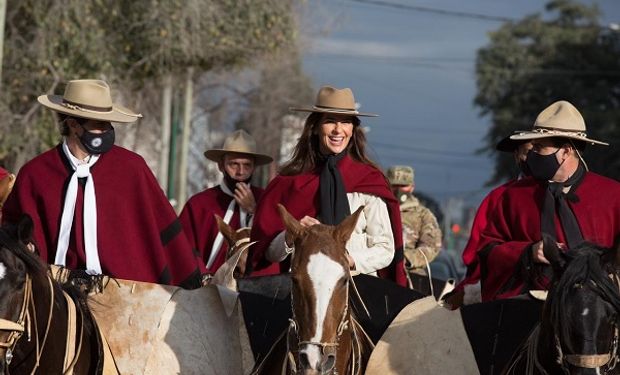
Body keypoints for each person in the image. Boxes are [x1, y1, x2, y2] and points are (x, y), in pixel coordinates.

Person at [3, 79, 204, 288]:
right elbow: (14, 234)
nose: (107, 130)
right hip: (56, 294)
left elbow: (163, 228)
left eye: (108, 124)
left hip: (125, 295)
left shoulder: (131, 169)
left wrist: (192, 278)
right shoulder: (36, 174)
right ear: (73, 125)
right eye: (99, 124)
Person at [248, 85, 407, 287]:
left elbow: (385, 248)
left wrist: (348, 260)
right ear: (315, 128)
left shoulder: (369, 180)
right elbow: (267, 254)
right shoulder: (288, 183)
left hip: (359, 286)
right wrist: (290, 234)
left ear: (353, 129)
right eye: (330, 121)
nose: (338, 130)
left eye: (346, 122)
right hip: (302, 292)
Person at [476, 100, 620, 302]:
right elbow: (488, 250)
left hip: (598, 309)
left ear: (565, 152)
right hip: (529, 307)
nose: (531, 154)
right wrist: (528, 252)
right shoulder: (514, 196)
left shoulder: (612, 195)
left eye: (540, 148)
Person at [444, 135, 532, 309]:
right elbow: (478, 251)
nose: (537, 156)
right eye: (530, 151)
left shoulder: (566, 195)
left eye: (542, 149)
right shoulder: (498, 197)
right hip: (503, 286)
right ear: (517, 155)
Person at [179, 129, 272, 275]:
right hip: (206, 289)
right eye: (234, 164)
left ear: (254, 167)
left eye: (247, 165)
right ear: (221, 166)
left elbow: (273, 246)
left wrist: (254, 211)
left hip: (256, 290)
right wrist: (203, 276)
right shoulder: (199, 204)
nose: (241, 172)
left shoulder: (266, 200)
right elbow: (182, 248)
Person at [386, 165, 442, 273]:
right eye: (394, 185)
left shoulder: (423, 215)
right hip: (378, 269)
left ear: (412, 187)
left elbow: (431, 247)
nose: (399, 190)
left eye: (403, 185)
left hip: (409, 272)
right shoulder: (376, 208)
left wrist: (406, 259)